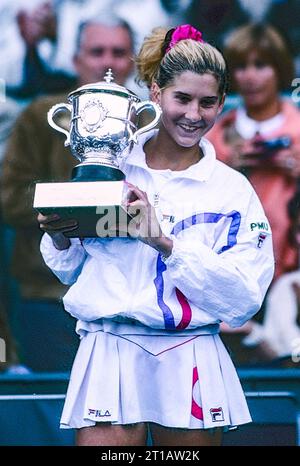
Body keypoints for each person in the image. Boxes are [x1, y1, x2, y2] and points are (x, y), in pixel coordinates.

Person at [38, 24, 274, 446]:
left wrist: (165, 243)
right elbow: (68, 269)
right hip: (109, 343)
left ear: (222, 101)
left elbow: (243, 300)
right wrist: (60, 236)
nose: (193, 114)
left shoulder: (232, 189)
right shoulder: (110, 165)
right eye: (181, 98)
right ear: (155, 92)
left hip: (191, 351)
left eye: (207, 102)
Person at [0, 15, 135, 372]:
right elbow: (9, 199)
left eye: (118, 52)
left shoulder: (141, 119)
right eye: (96, 51)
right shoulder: (41, 116)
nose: (108, 61)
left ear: (132, 61)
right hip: (49, 295)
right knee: (54, 413)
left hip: (129, 297)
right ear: (76, 60)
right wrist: (77, 204)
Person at [207, 23, 300, 281]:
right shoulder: (213, 135)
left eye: (260, 65)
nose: (250, 76)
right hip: (228, 265)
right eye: (241, 66)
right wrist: (223, 163)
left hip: (289, 269)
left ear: (279, 70)